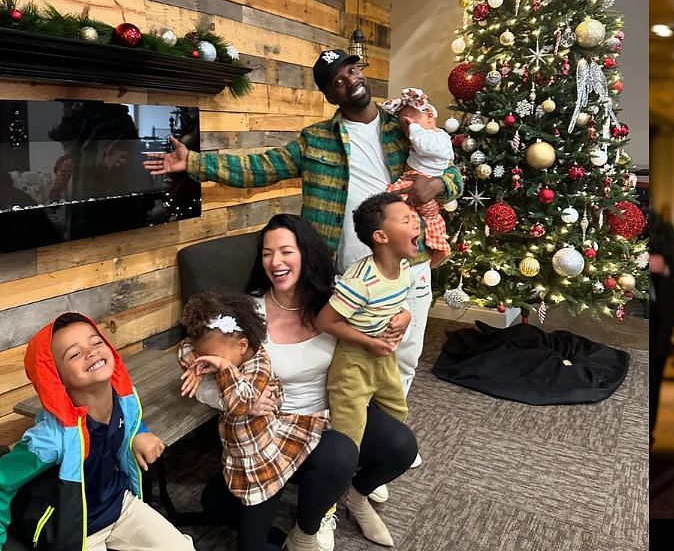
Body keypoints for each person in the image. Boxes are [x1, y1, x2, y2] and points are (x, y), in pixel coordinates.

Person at [146, 49, 446, 478]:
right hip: (346, 270)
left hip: (407, 265)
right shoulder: (316, 140)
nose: (349, 80)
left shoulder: (405, 129)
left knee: (403, 357)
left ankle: (388, 439)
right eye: (337, 80)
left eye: (352, 70)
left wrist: (440, 183)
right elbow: (258, 167)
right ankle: (351, 444)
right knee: (352, 360)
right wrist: (193, 163)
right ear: (329, 94)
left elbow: (448, 167)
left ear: (361, 73)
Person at [184, 214, 415, 550]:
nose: (275, 262)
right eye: (266, 253)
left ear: (306, 253)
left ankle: (327, 513)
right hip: (273, 427)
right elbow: (199, 359)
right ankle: (310, 505)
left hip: (333, 413)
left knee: (400, 447)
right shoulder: (246, 311)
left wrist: (404, 314)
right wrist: (231, 400)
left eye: (286, 251)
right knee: (252, 544)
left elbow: (387, 298)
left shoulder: (336, 298)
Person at [0, 313, 195, 551]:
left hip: (119, 505)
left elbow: (131, 422)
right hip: (78, 529)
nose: (91, 352)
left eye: (96, 342)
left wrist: (138, 434)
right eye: (74, 354)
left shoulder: (126, 399)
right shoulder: (50, 438)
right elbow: (2, 480)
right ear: (55, 378)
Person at [179, 293, 328, 529]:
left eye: (214, 358)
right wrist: (195, 363)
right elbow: (186, 346)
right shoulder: (224, 346)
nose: (210, 362)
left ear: (243, 346)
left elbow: (240, 404)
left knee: (251, 539)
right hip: (237, 452)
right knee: (218, 505)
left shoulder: (260, 365)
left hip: (262, 454)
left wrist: (224, 366)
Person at [316, 193, 416, 454]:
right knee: (349, 431)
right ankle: (341, 482)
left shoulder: (404, 267)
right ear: (381, 237)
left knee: (397, 413)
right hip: (353, 364)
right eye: (406, 219)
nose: (416, 221)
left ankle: (377, 464)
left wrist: (406, 317)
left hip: (384, 358)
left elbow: (396, 304)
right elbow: (325, 321)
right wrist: (369, 342)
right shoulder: (360, 281)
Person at [380, 88, 462, 268]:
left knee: (396, 204)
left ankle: (437, 249)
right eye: (403, 125)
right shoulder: (425, 136)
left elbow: (425, 147)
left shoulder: (438, 138)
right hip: (411, 178)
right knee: (419, 215)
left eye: (410, 122)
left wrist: (414, 128)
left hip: (419, 181)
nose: (406, 129)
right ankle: (434, 246)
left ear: (430, 116)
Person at [647, 205, 674, 443]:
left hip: (662, 311)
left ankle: (649, 435)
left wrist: (664, 267)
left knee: (656, 374)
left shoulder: (663, 226)